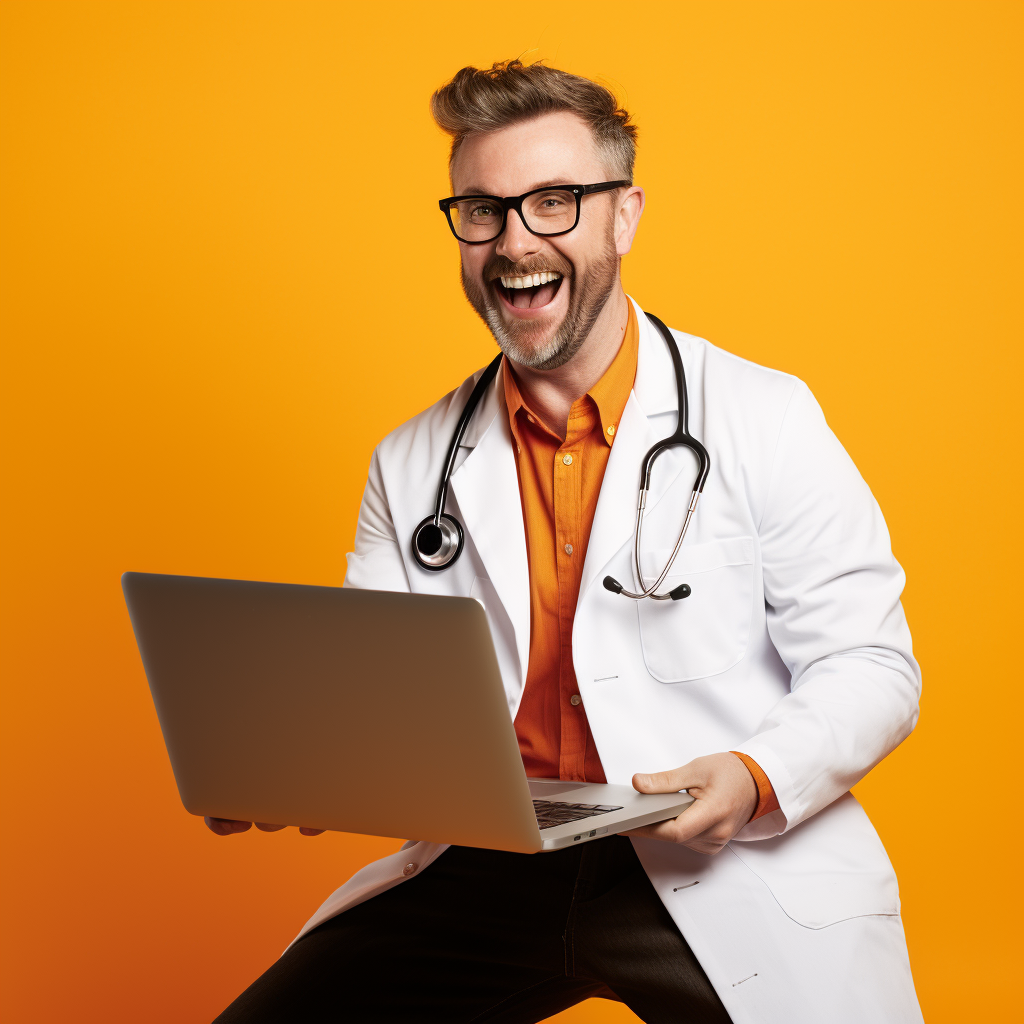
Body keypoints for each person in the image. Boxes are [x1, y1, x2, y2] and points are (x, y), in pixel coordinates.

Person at [211, 60, 924, 1023]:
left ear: (624, 217)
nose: (514, 243)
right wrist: (298, 763)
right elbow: (373, 697)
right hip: (501, 859)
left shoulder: (766, 417)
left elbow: (873, 665)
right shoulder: (411, 460)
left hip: (712, 859)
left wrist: (755, 779)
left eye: (555, 203)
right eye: (482, 209)